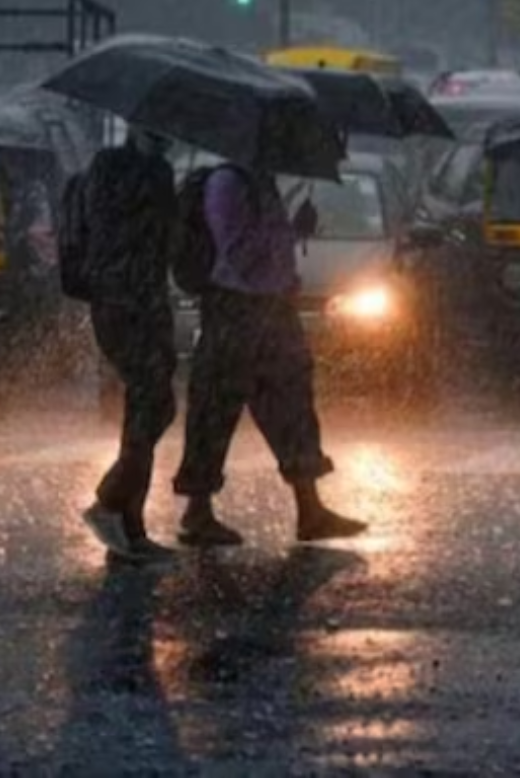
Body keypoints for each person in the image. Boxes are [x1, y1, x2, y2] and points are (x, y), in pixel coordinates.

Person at [172, 163, 367, 547]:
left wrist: (295, 231)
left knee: (292, 406)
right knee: (215, 409)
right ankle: (197, 511)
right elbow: (237, 252)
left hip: (274, 309)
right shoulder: (227, 183)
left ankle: (310, 509)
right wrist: (278, 234)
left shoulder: (263, 182)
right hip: (237, 309)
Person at [74, 127, 181, 562]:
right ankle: (113, 507)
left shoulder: (156, 171)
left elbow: (164, 242)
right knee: (151, 403)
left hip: (145, 300)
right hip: (122, 301)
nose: (163, 139)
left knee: (151, 407)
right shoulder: (115, 168)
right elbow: (120, 229)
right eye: (157, 132)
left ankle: (127, 520)